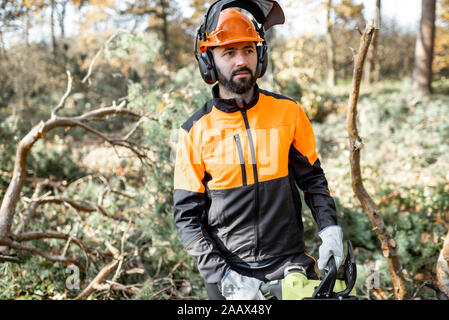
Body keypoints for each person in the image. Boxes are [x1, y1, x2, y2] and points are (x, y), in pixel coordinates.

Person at [173, 6, 344, 300]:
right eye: (229, 52)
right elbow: (186, 219)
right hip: (229, 273)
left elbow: (313, 181)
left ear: (260, 55)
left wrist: (330, 229)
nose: (242, 60)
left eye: (249, 50)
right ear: (208, 60)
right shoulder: (194, 131)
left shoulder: (288, 113)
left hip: (289, 264)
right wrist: (223, 275)